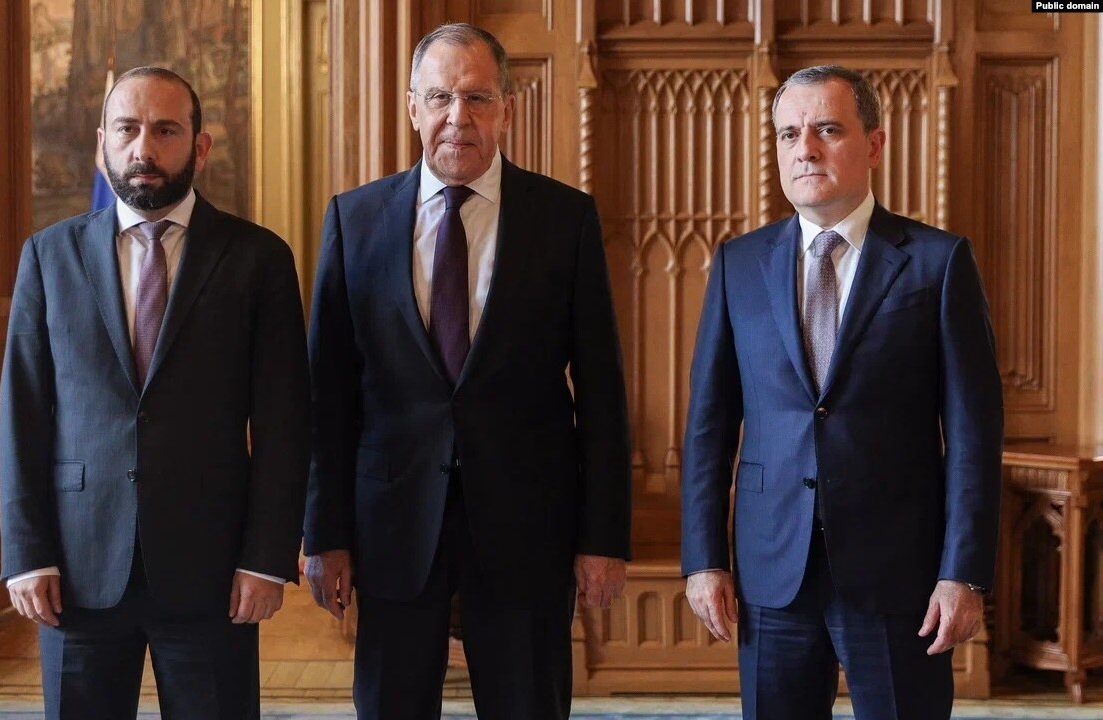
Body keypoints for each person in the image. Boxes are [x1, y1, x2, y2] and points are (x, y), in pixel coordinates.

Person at [303, 23, 632, 720]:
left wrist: (603, 538)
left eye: (478, 98)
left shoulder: (563, 220)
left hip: (528, 528)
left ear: (508, 109)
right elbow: (327, 397)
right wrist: (322, 534)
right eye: (441, 97)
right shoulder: (353, 221)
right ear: (414, 108)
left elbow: (602, 392)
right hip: (390, 527)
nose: (460, 117)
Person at [680, 64, 1004, 720]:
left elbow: (974, 432)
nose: (806, 149)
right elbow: (709, 426)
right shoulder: (739, 265)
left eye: (827, 129)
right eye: (789, 134)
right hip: (773, 570)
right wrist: (704, 559)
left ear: (875, 145)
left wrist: (963, 571)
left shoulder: (938, 263)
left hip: (899, 573)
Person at [0, 66, 310, 720]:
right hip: (76, 569)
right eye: (128, 129)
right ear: (101, 144)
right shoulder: (47, 257)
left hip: (214, 569)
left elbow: (285, 425)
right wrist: (26, 554)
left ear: (199, 146)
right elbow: (23, 416)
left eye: (165, 130)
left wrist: (267, 559)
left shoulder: (257, 259)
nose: (144, 148)